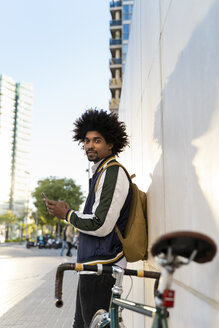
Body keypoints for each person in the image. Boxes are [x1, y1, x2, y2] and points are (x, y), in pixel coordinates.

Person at [45, 109, 131, 328]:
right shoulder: (100, 171)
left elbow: (101, 224)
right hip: (92, 266)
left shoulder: (112, 172)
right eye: (86, 140)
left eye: (97, 140)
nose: (90, 145)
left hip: (103, 266)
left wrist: (67, 214)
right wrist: (70, 214)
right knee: (81, 324)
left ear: (110, 144)